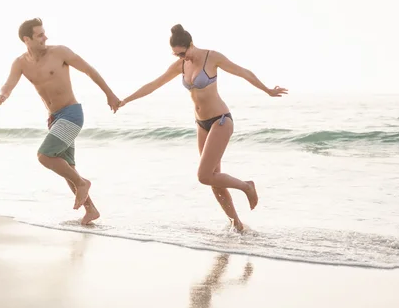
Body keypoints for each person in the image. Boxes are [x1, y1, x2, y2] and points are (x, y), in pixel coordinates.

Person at [116, 24, 287, 231]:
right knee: (214, 181)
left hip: (220, 120)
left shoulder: (211, 57)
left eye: (183, 53)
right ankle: (237, 226)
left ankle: (246, 186)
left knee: (204, 175)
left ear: (191, 44)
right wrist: (125, 100)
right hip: (201, 124)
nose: (182, 58)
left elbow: (243, 72)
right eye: (177, 55)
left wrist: (267, 90)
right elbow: (153, 85)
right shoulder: (180, 65)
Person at [0, 18, 120, 225]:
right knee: (67, 167)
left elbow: (90, 70)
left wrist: (110, 95)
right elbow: (8, 84)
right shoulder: (20, 63)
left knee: (44, 156)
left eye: (44, 33)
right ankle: (91, 210)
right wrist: (2, 95)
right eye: (40, 35)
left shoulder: (59, 52)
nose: (45, 37)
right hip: (54, 119)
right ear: (27, 39)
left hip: (71, 114)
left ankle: (82, 183)